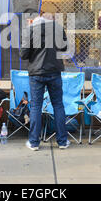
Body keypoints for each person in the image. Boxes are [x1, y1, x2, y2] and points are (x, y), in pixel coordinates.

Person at [20, 11, 69, 151]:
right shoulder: (58, 28)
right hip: (54, 71)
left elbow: (23, 54)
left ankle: (34, 142)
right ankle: (62, 142)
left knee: (36, 106)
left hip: (36, 73)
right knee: (58, 105)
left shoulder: (30, 30)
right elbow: (64, 48)